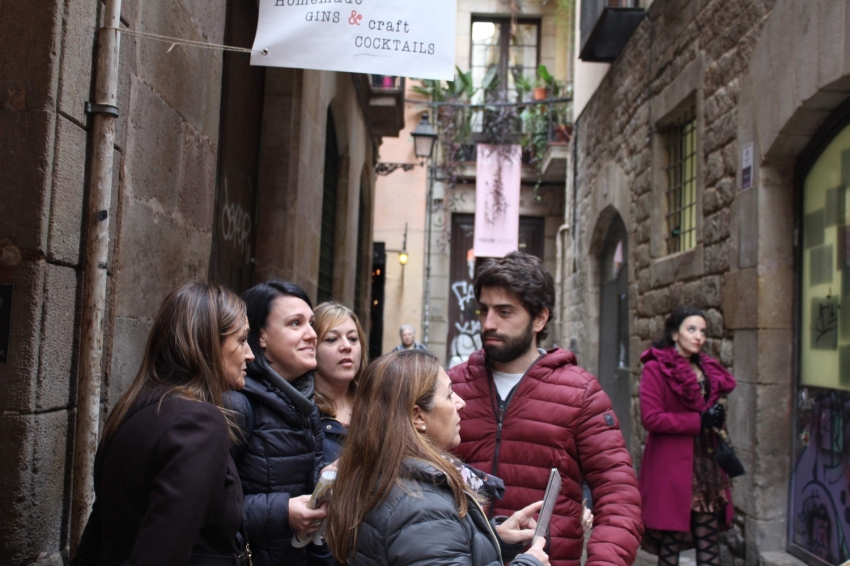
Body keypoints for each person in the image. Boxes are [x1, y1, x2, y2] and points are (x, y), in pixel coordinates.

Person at [449, 251, 643, 566]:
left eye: (505, 312)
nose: (488, 323)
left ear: (540, 318)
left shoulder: (580, 393)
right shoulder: (451, 389)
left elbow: (619, 498)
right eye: (483, 310)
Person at [71, 282, 255, 566]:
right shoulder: (199, 422)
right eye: (242, 340)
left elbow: (98, 534)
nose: (250, 354)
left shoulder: (135, 407)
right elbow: (162, 552)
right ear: (206, 343)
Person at [326, 349, 550, 566]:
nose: (460, 403)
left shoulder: (385, 475)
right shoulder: (421, 505)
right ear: (417, 416)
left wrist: (495, 539)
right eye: (450, 394)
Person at [224, 281, 331, 566]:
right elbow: (205, 506)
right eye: (295, 324)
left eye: (312, 323)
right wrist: (282, 511)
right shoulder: (237, 405)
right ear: (260, 337)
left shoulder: (306, 404)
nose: (312, 335)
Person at [638, 307, 736, 566]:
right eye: (691, 330)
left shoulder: (706, 368)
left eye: (703, 331)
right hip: (672, 466)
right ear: (674, 333)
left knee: (708, 543)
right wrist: (697, 421)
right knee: (670, 543)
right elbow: (651, 418)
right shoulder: (656, 369)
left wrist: (713, 416)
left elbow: (724, 386)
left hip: (706, 463)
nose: (698, 337)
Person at [313, 302, 368, 467]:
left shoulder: (376, 404)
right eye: (331, 339)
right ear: (311, 348)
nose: (346, 347)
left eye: (352, 339)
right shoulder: (300, 412)